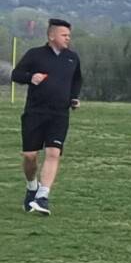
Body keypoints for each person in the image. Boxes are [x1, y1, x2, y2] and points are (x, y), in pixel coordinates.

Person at [12, 18, 82, 215]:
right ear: (51, 36)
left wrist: (74, 97)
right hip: (35, 113)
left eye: (69, 35)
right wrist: (30, 78)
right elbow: (16, 74)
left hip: (60, 114)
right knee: (30, 156)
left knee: (53, 153)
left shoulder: (72, 58)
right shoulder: (35, 55)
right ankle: (31, 186)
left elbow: (77, 79)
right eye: (64, 35)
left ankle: (42, 196)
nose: (68, 38)